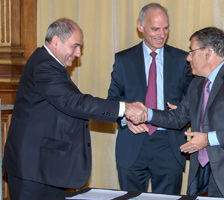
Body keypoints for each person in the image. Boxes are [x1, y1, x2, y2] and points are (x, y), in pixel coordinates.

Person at [2, 18, 146, 200]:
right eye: (74, 46)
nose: (78, 53)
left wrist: (123, 116)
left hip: (45, 167)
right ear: (55, 42)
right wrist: (124, 108)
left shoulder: (49, 63)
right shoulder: (44, 67)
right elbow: (75, 103)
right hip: (32, 170)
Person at [144, 27, 224, 199]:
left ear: (208, 52)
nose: (188, 57)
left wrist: (207, 139)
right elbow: (178, 117)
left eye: (191, 51)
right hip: (208, 179)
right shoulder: (197, 85)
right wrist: (146, 114)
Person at [107, 3, 193, 195]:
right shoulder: (124, 59)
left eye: (166, 28)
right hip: (132, 142)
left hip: (169, 144)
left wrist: (181, 111)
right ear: (140, 26)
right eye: (155, 29)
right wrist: (125, 119)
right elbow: (112, 100)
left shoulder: (182, 59)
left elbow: (194, 100)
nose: (161, 34)